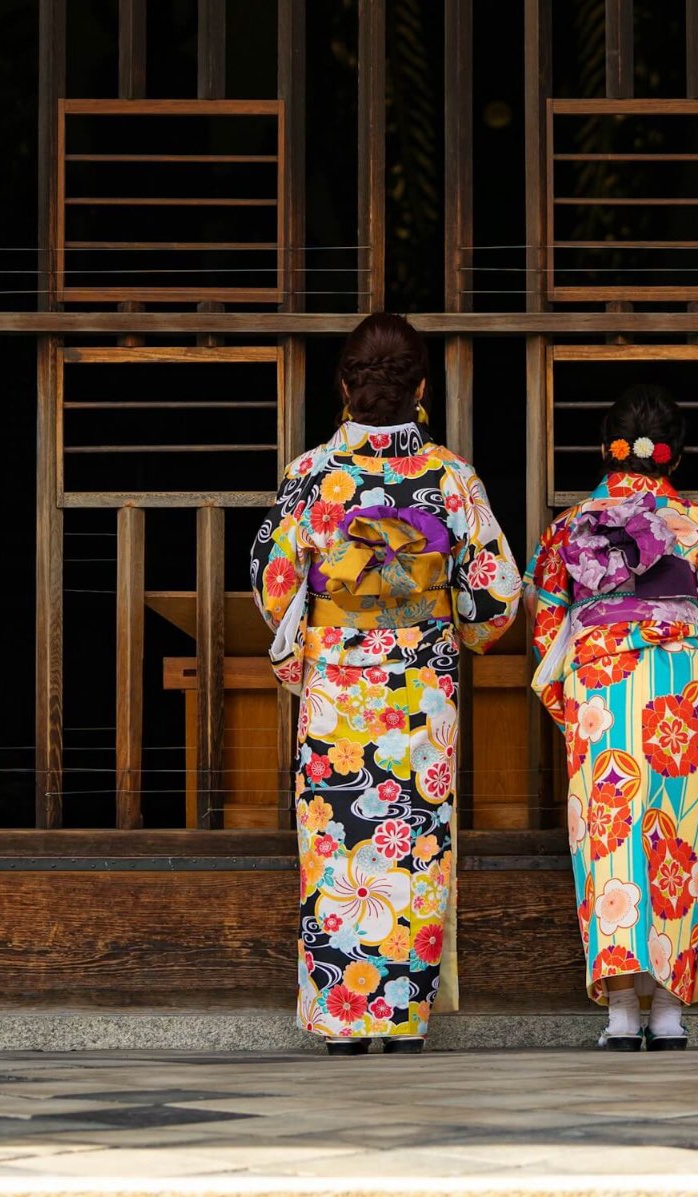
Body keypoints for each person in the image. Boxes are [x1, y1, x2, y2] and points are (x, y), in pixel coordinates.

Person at [251, 313, 521, 1055]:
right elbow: (495, 595)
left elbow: (275, 583)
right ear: (422, 387)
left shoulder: (311, 476)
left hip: (338, 687)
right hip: (418, 691)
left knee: (338, 847)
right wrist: (456, 627)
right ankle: (402, 1016)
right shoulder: (450, 477)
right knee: (413, 848)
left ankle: (343, 1018)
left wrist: (302, 654)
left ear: (344, 384)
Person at [527, 385, 698, 1050]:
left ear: (606, 450)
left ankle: (621, 1012)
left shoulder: (570, 527)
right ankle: (671, 1012)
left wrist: (569, 701)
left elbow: (546, 625)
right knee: (676, 835)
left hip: (600, 687)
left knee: (609, 836)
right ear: (673, 457)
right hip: (679, 688)